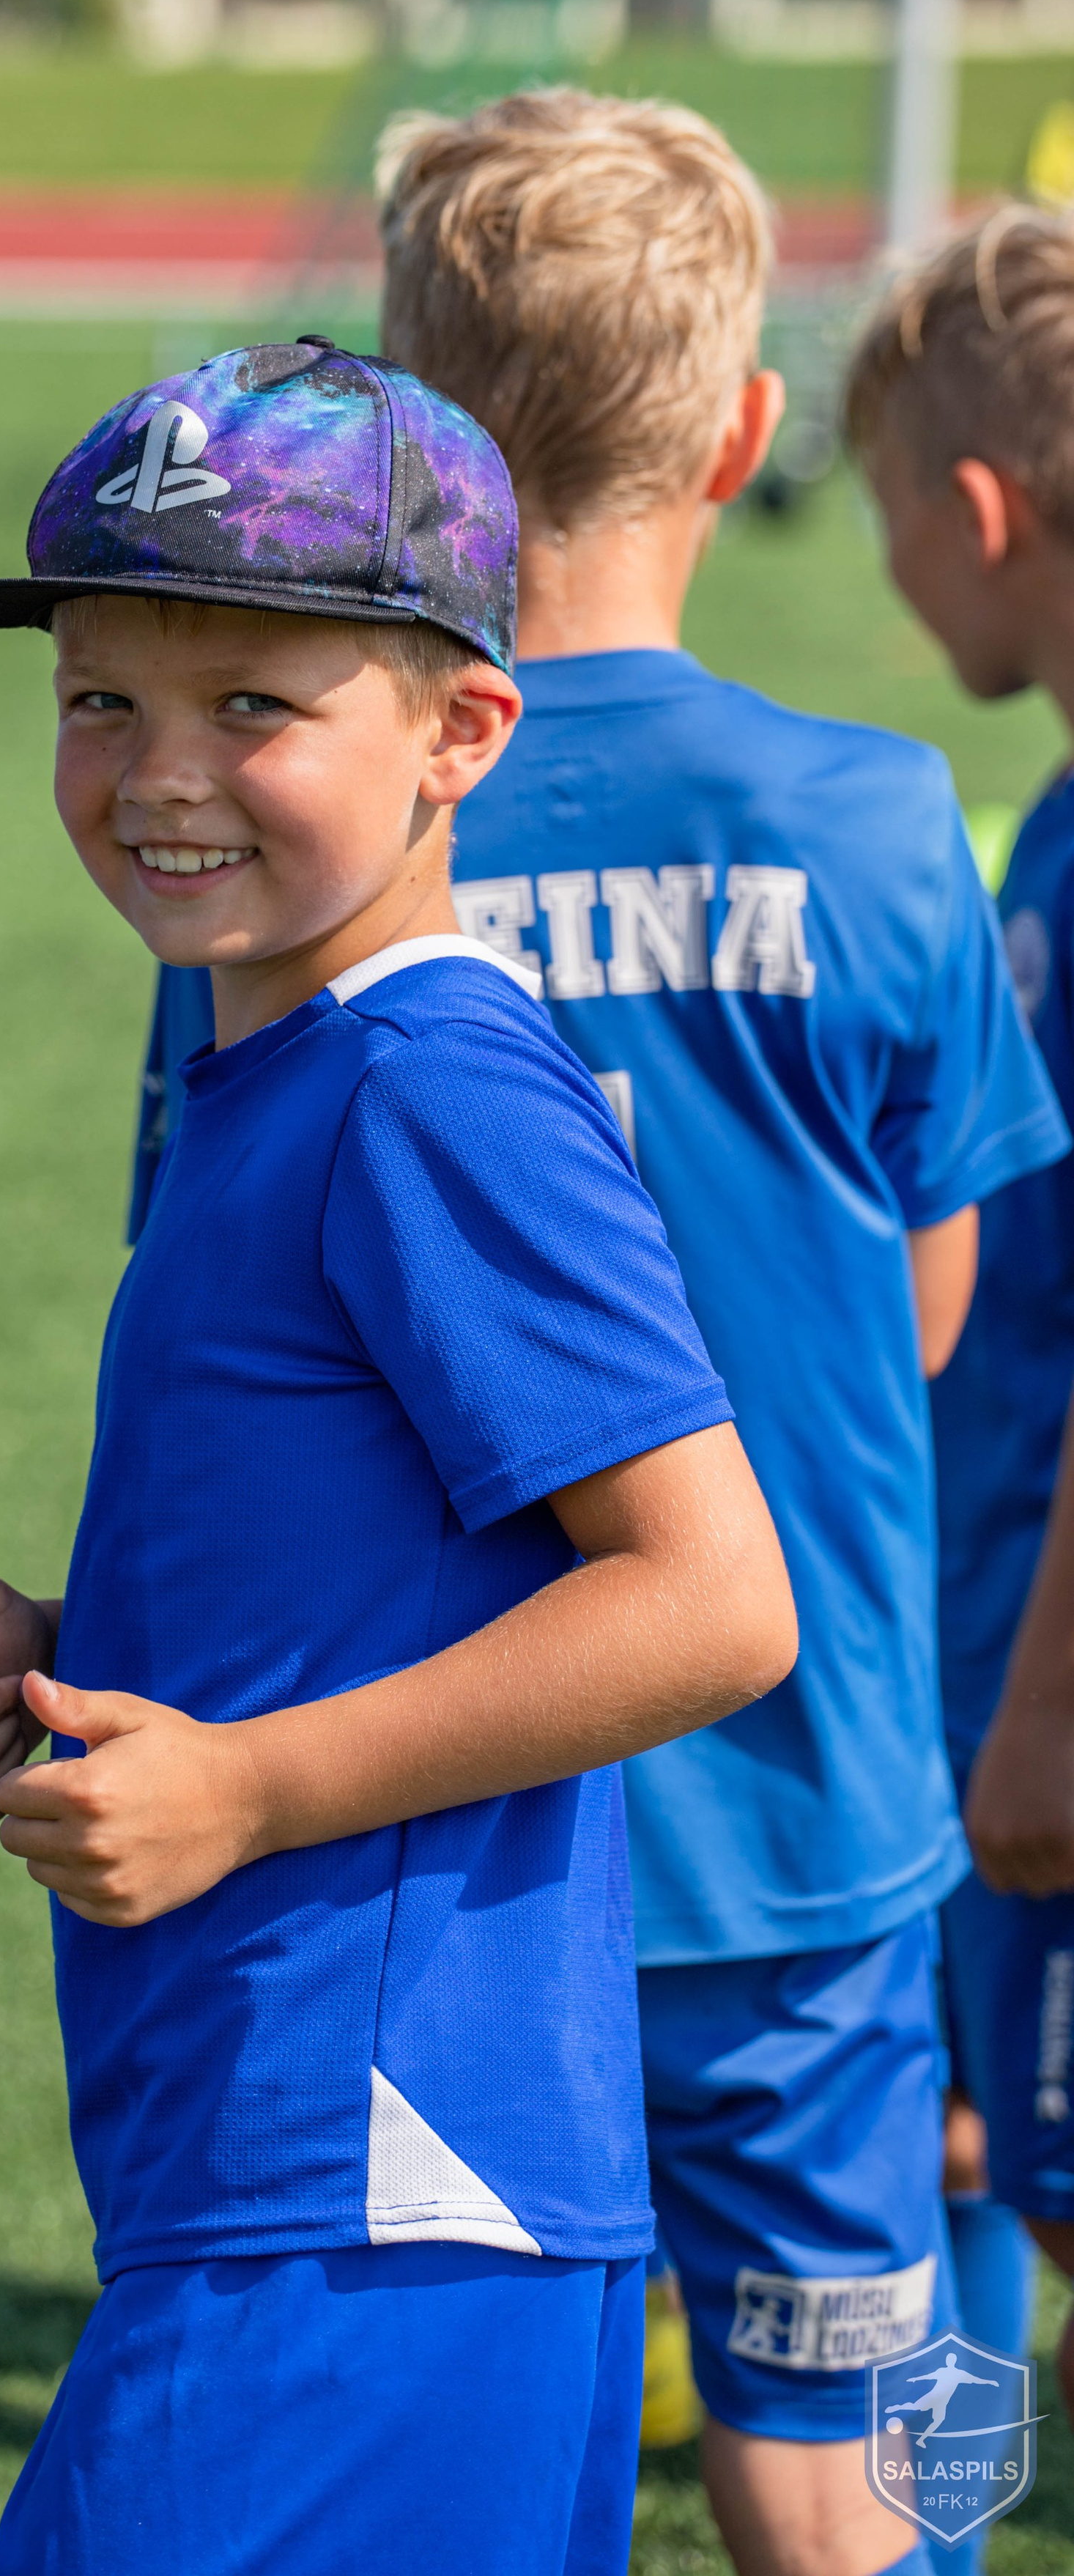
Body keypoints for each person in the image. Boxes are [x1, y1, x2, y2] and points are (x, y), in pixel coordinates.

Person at [136, 97, 1067, 2576]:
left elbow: (226, 1330)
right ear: (748, 430)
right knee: (854, 2425)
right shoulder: (878, 822)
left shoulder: (305, 846)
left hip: (431, 1831)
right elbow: (945, 1308)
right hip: (806, 1793)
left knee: (416, 2420)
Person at [0, 336, 798, 2575]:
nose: (157, 774)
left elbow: (711, 1598)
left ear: (464, 733)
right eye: (102, 699)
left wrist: (251, 1789)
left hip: (377, 2179)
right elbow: (383, 1556)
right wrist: (85, 1667)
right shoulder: (282, 1067)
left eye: (256, 709)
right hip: (306, 2162)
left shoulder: (428, 1088)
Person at [846, 208, 1074, 2427]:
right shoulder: (1055, 826)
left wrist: (1039, 1711)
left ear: (980, 514)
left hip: (1049, 1680)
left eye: (895, 517)